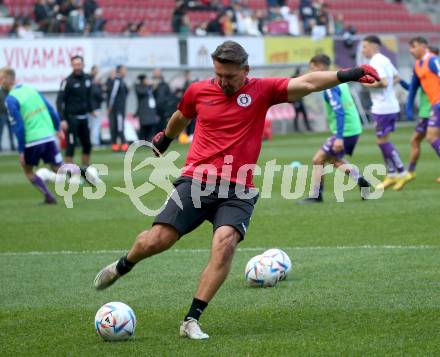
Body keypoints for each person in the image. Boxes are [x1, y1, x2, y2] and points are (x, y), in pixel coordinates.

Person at [93, 41, 379, 340]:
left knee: (225, 243)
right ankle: (124, 265)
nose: (223, 81)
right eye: (218, 74)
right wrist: (165, 138)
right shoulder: (198, 91)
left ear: (246, 71)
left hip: (239, 187)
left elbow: (307, 82)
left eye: (229, 76)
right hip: (197, 180)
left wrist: (350, 73)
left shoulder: (263, 90)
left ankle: (191, 319)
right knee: (157, 240)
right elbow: (181, 116)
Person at [300, 54, 370, 203]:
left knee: (318, 159)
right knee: (334, 160)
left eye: (312, 68)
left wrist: (338, 137)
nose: (312, 71)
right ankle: (361, 181)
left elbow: (339, 110)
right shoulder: (340, 79)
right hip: (353, 128)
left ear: (319, 66)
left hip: (345, 131)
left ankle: (316, 195)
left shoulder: (329, 86)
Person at [1, 67, 63, 204]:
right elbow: (50, 109)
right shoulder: (30, 89)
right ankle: (85, 176)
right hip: (48, 136)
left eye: (0, 79)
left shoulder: (10, 99)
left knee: (28, 171)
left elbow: (19, 126)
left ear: (6, 79)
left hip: (32, 140)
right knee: (58, 167)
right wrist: (58, 128)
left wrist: (21, 151)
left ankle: (49, 197)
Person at [361, 35, 408, 190]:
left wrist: (367, 85)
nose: (363, 50)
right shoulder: (385, 59)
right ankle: (392, 174)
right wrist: (387, 89)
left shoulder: (376, 62)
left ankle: (402, 171)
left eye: (365, 46)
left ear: (374, 46)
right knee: (382, 141)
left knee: (382, 141)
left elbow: (384, 82)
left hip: (383, 108)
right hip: (388, 105)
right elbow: (397, 77)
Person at [400, 38, 440, 187]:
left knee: (431, 137)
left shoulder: (433, 60)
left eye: (414, 46)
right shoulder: (418, 65)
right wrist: (409, 107)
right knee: (427, 138)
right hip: (435, 106)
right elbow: (413, 89)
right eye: (409, 47)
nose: (411, 50)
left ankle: (410, 171)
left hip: (437, 104)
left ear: (424, 46)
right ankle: (410, 171)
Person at [56, 55, 94, 177]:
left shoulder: (88, 79)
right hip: (71, 119)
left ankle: (86, 169)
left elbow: (89, 97)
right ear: (72, 66)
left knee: (87, 144)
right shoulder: (67, 81)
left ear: (83, 65)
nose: (77, 67)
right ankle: (69, 171)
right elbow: (59, 101)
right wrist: (62, 119)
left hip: (84, 118)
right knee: (70, 145)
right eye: (75, 64)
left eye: (79, 64)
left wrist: (91, 109)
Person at [107, 65, 129, 152]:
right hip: (117, 108)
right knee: (118, 127)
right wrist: (110, 105)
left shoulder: (121, 80)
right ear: (120, 71)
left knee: (118, 126)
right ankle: (121, 145)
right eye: (124, 70)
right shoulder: (117, 80)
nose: (126, 71)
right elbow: (113, 94)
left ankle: (117, 145)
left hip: (120, 108)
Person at [134, 74, 158, 142]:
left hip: (150, 111)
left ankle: (149, 140)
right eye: (146, 79)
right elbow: (142, 92)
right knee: (144, 127)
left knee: (151, 126)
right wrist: (151, 87)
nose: (147, 81)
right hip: (144, 111)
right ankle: (142, 141)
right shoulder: (138, 87)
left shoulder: (149, 87)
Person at [291, 68, 312, 132]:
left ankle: (308, 128)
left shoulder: (300, 79)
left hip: (300, 100)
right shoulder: (293, 79)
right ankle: (296, 129)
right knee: (297, 115)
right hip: (295, 100)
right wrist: (294, 102)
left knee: (304, 114)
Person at [89, 65, 104, 146]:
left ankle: (92, 142)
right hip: (95, 108)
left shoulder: (89, 82)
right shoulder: (93, 84)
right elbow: (98, 95)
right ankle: (95, 143)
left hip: (91, 108)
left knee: (92, 126)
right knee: (95, 126)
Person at [0, 80, 16, 151]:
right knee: (1, 132)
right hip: (2, 114)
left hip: (10, 114)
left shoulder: (10, 93)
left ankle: (12, 146)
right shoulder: (0, 93)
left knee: (11, 132)